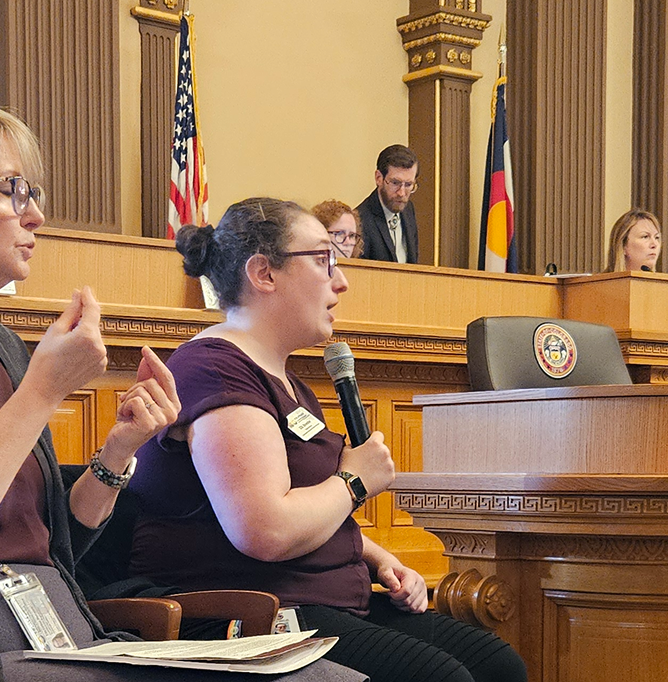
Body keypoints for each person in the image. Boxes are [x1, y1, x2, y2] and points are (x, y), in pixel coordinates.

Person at [0, 100, 359, 682]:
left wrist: (119, 453)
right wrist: (42, 392)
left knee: (324, 677)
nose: (36, 217)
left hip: (61, 630)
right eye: (12, 191)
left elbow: (57, 548)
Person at [127, 197, 527, 682]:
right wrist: (355, 482)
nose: (341, 280)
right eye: (322, 260)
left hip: (321, 598)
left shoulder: (287, 381)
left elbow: (312, 506)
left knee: (498, 666)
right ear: (264, 274)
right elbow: (266, 531)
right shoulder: (215, 369)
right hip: (251, 611)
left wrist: (380, 559)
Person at [356, 144, 420, 263]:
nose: (401, 193)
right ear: (378, 178)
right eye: (395, 183)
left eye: (408, 185)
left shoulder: (408, 209)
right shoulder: (360, 220)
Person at [605, 208, 662, 272]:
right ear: (623, 245)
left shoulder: (660, 281)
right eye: (645, 237)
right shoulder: (599, 281)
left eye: (656, 237)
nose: (654, 244)